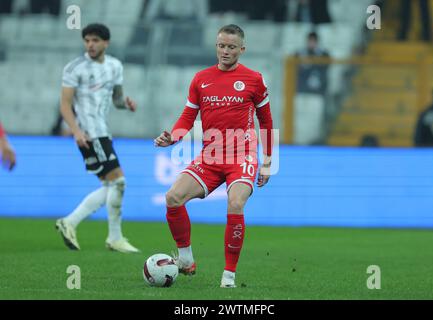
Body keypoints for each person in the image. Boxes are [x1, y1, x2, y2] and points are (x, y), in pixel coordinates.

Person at [154, 24, 273, 288]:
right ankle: (186, 259)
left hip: (242, 155)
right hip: (210, 155)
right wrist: (173, 137)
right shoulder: (201, 78)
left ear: (242, 49)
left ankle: (228, 275)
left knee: (235, 203)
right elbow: (188, 116)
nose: (225, 51)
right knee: (173, 197)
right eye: (221, 45)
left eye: (231, 47)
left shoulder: (254, 79)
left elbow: (266, 121)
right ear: (216, 46)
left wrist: (267, 161)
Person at [55, 23, 140, 253]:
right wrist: (75, 131)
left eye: (95, 40)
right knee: (119, 182)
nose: (90, 45)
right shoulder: (75, 68)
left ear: (106, 43)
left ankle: (70, 222)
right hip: (89, 134)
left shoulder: (115, 66)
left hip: (103, 131)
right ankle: (114, 237)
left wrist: (126, 104)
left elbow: (117, 99)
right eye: (87, 40)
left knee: (110, 185)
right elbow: (64, 104)